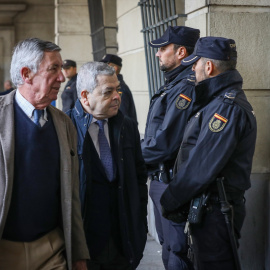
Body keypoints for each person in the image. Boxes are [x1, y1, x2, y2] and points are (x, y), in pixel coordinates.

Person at [160, 37, 257, 270]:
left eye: (195, 63)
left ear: (209, 67)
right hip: (208, 208)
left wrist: (170, 200)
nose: (192, 68)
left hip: (216, 210)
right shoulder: (216, 102)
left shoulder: (226, 107)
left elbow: (201, 166)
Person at [0, 38, 89, 270]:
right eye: (53, 69)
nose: (62, 77)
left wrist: (79, 254)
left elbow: (72, 195)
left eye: (61, 69)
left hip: (52, 249)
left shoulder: (64, 124)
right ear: (26, 74)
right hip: (5, 250)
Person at [66, 61, 148, 269]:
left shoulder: (126, 126)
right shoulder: (65, 128)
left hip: (124, 243)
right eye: (108, 91)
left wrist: (139, 227)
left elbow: (139, 179)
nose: (117, 96)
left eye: (117, 89)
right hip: (85, 247)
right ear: (85, 96)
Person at [140, 25, 200, 270]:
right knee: (168, 248)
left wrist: (132, 158)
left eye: (163, 49)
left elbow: (167, 142)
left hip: (171, 181)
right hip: (161, 178)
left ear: (181, 52)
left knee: (176, 253)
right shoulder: (173, 84)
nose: (157, 54)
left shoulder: (184, 87)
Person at [100, 54, 137, 123]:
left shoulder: (119, 89)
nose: (102, 68)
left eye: (105, 65)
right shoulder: (114, 87)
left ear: (114, 68)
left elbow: (121, 116)